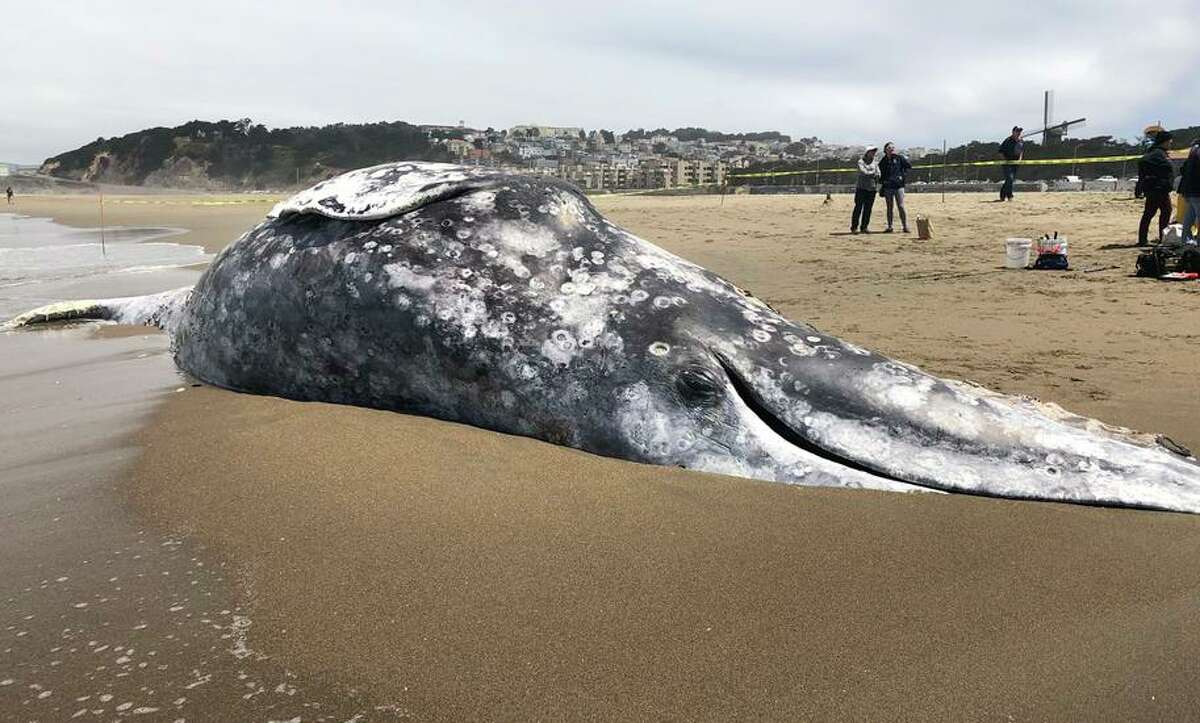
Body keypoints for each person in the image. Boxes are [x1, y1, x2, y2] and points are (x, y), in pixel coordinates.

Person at [1136, 130, 1174, 246]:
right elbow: (1165, 169)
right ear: (1165, 142)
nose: (1170, 144)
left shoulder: (1152, 152)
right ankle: (1162, 238)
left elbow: (1142, 169)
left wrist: (1140, 187)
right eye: (1169, 142)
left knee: (1149, 213)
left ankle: (1144, 239)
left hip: (1152, 188)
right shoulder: (1158, 154)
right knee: (1165, 211)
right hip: (1159, 188)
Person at [877, 142, 911, 233]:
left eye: (892, 147)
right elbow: (880, 174)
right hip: (888, 187)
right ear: (885, 150)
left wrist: (902, 176)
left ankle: (905, 226)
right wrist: (883, 182)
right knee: (889, 207)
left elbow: (908, 166)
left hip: (899, 187)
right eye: (889, 147)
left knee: (901, 206)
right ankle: (890, 227)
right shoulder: (883, 161)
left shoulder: (899, 158)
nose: (891, 149)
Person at [851, 146, 879, 234]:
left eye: (874, 152)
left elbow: (878, 173)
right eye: (872, 151)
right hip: (861, 188)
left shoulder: (875, 162)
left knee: (868, 209)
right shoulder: (860, 161)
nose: (873, 153)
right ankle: (854, 227)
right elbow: (863, 172)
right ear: (867, 152)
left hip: (872, 188)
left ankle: (864, 227)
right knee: (858, 208)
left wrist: (873, 174)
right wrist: (872, 173)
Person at [1179, 139, 1200, 243]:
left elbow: (1183, 169)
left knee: (1189, 217)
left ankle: (1185, 241)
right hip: (1197, 190)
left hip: (1189, 190)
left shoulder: (1193, 151)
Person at [998, 126, 1023, 201]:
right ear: (1013, 132)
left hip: (1015, 163)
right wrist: (1005, 160)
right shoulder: (1007, 141)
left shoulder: (1021, 141)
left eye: (1019, 132)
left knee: (1010, 180)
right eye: (1017, 131)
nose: (1018, 133)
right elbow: (1000, 152)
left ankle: (1004, 195)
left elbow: (1021, 151)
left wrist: (1020, 159)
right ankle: (1009, 195)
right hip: (1007, 163)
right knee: (1009, 178)